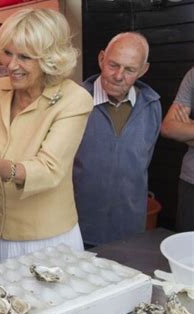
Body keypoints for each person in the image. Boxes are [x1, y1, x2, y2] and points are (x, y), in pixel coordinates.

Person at [0, 8, 93, 268]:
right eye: (8, 53)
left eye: (25, 57)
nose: (11, 65)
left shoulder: (75, 100)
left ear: (50, 59)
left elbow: (48, 170)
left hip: (41, 237)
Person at [73, 32, 162, 247]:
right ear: (101, 58)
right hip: (76, 229)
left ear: (143, 70)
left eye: (130, 70)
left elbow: (143, 161)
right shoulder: (74, 101)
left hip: (129, 230)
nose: (118, 75)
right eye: (113, 65)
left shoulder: (151, 105)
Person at [161, 67, 194, 232]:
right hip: (191, 182)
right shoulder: (192, 75)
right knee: (186, 250)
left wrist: (189, 127)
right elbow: (168, 127)